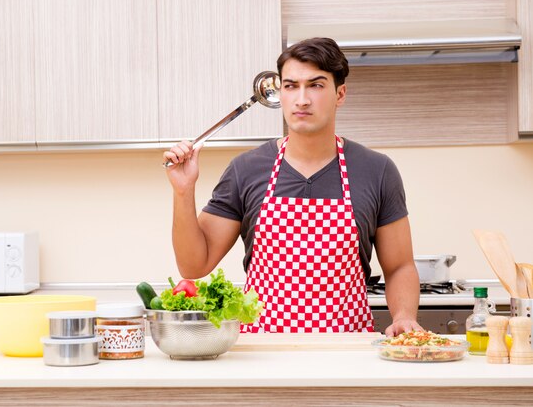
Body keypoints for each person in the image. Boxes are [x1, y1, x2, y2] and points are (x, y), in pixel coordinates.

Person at [163, 37, 422, 337]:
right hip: (262, 354)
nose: (302, 99)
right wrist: (183, 192)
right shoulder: (246, 170)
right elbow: (193, 265)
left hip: (347, 353)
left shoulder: (376, 170)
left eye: (316, 85)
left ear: (340, 94)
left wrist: (404, 316)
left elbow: (400, 266)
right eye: (290, 86)